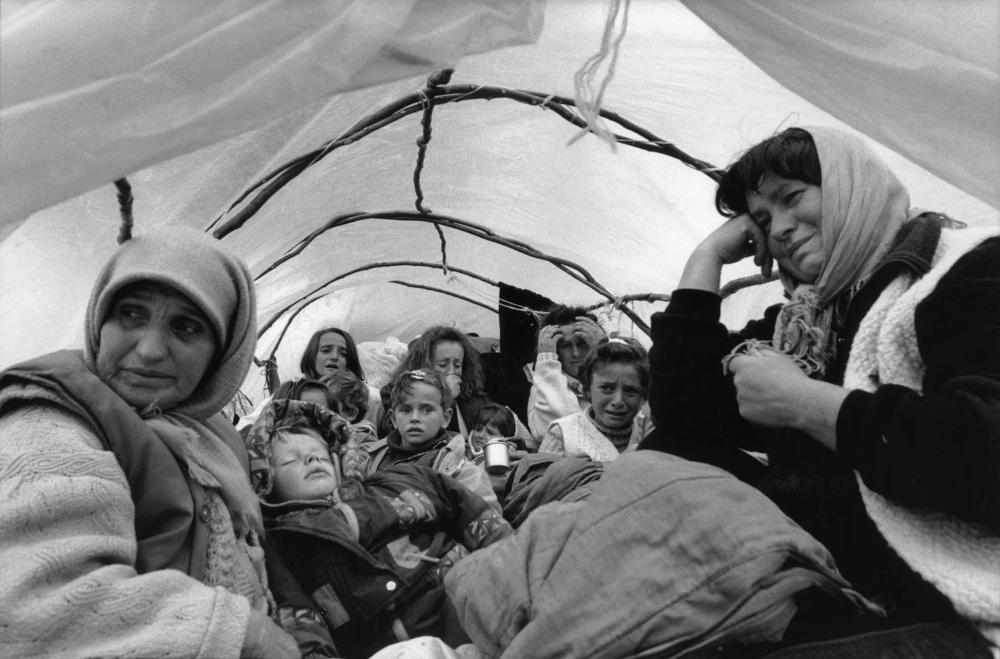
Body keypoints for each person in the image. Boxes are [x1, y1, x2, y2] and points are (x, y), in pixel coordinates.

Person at [640, 126, 999, 654]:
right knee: (657, 462)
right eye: (761, 221)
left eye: (792, 199)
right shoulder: (807, 320)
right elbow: (683, 413)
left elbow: (985, 449)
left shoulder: (963, 270)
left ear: (853, 187)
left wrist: (806, 405)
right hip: (839, 587)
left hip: (943, 604)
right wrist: (707, 258)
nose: (780, 229)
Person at [0, 226, 297, 657]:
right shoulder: (49, 421)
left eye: (187, 327)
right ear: (99, 320)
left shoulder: (209, 433)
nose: (151, 350)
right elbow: (32, 609)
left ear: (224, 351)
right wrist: (249, 634)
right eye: (131, 314)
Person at [245, 401, 511, 659]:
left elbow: (469, 509)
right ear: (267, 479)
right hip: (391, 647)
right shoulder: (284, 544)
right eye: (291, 460)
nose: (312, 459)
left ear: (338, 459)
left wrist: (507, 557)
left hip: (461, 598)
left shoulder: (400, 479)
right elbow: (300, 623)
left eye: (319, 453)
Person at [366, 369, 500, 511]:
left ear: (446, 418)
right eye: (405, 410)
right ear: (393, 418)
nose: (415, 418)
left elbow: (490, 521)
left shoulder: (462, 472)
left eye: (427, 410)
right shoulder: (371, 460)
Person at [382, 325, 531, 444]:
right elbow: (397, 435)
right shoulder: (396, 393)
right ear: (423, 364)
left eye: (457, 364)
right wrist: (444, 396)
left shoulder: (475, 397)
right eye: (443, 364)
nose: (452, 371)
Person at [539, 337, 653, 461]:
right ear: (587, 390)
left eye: (630, 391)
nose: (618, 401)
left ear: (643, 396)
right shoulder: (563, 434)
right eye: (607, 388)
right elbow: (546, 479)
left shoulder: (650, 434)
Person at [525, 305, 606, 443]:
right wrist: (547, 362)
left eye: (582, 343)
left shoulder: (609, 379)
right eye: (566, 346)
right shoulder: (542, 389)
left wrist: (604, 350)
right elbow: (568, 432)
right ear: (556, 351)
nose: (575, 353)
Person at [300, 325, 384, 428]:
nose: (334, 357)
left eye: (343, 354)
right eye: (326, 351)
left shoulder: (372, 397)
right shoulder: (294, 391)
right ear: (312, 355)